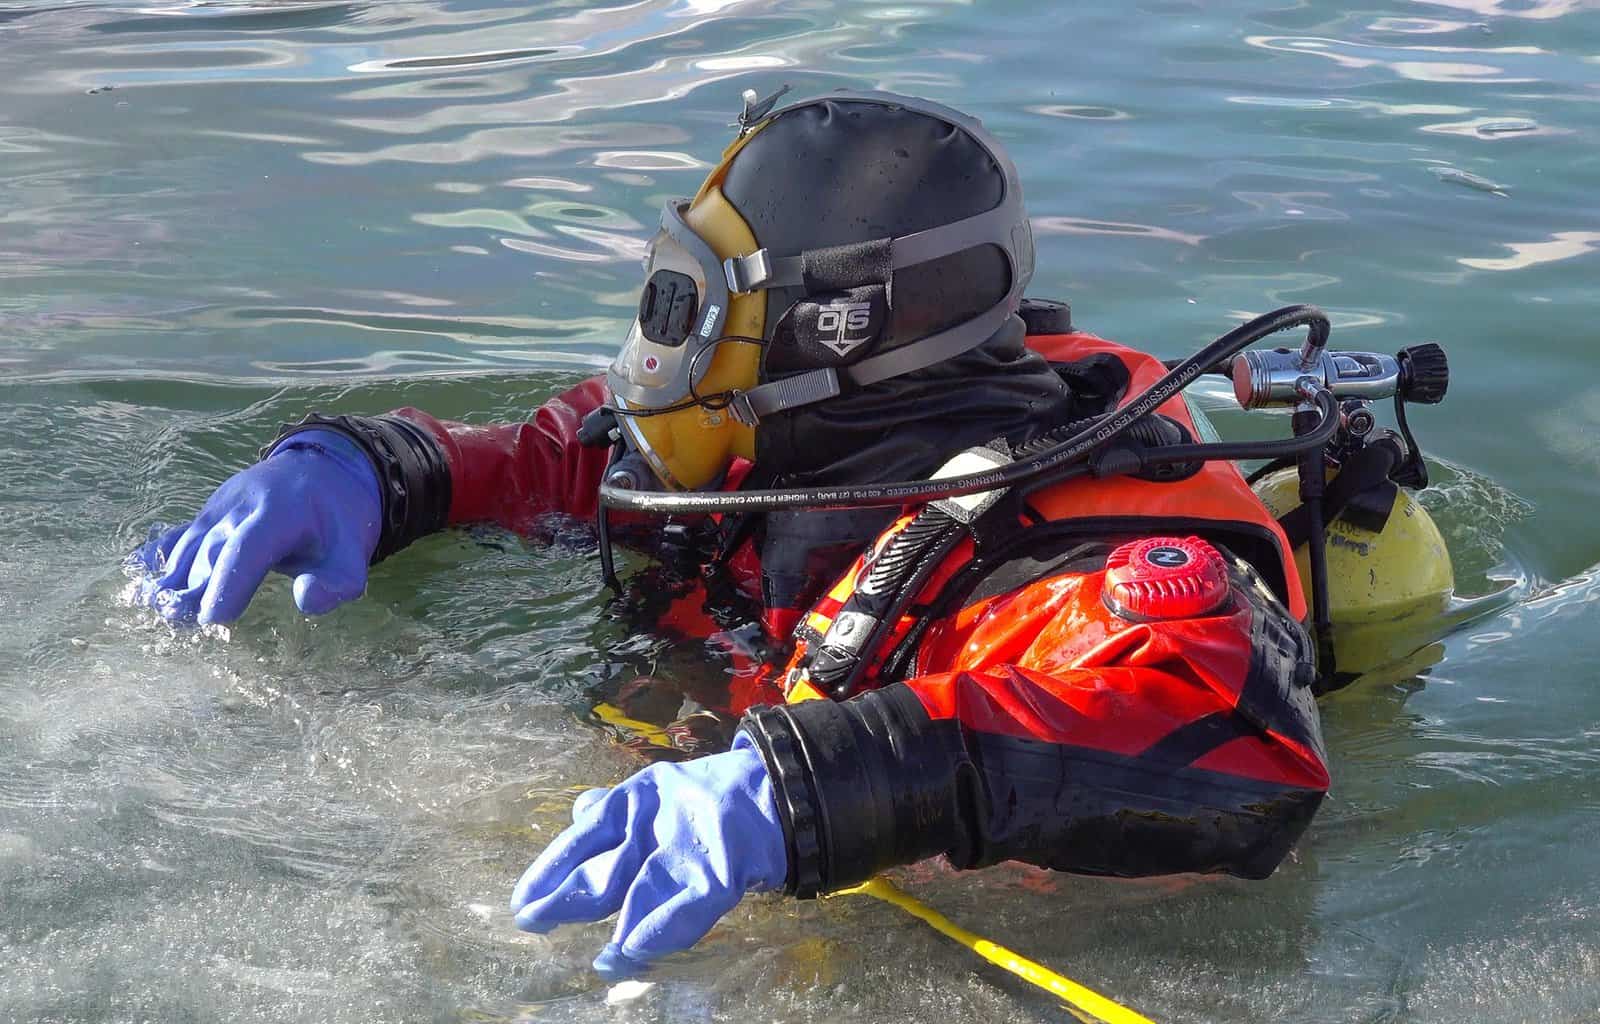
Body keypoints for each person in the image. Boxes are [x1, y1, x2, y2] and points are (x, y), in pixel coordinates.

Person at [133, 90, 1330, 979]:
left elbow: (1237, 735)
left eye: (699, 310)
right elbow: (556, 459)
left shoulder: (1055, 563)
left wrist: (806, 787)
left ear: (826, 333)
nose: (661, 354)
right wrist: (378, 470)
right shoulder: (759, 449)